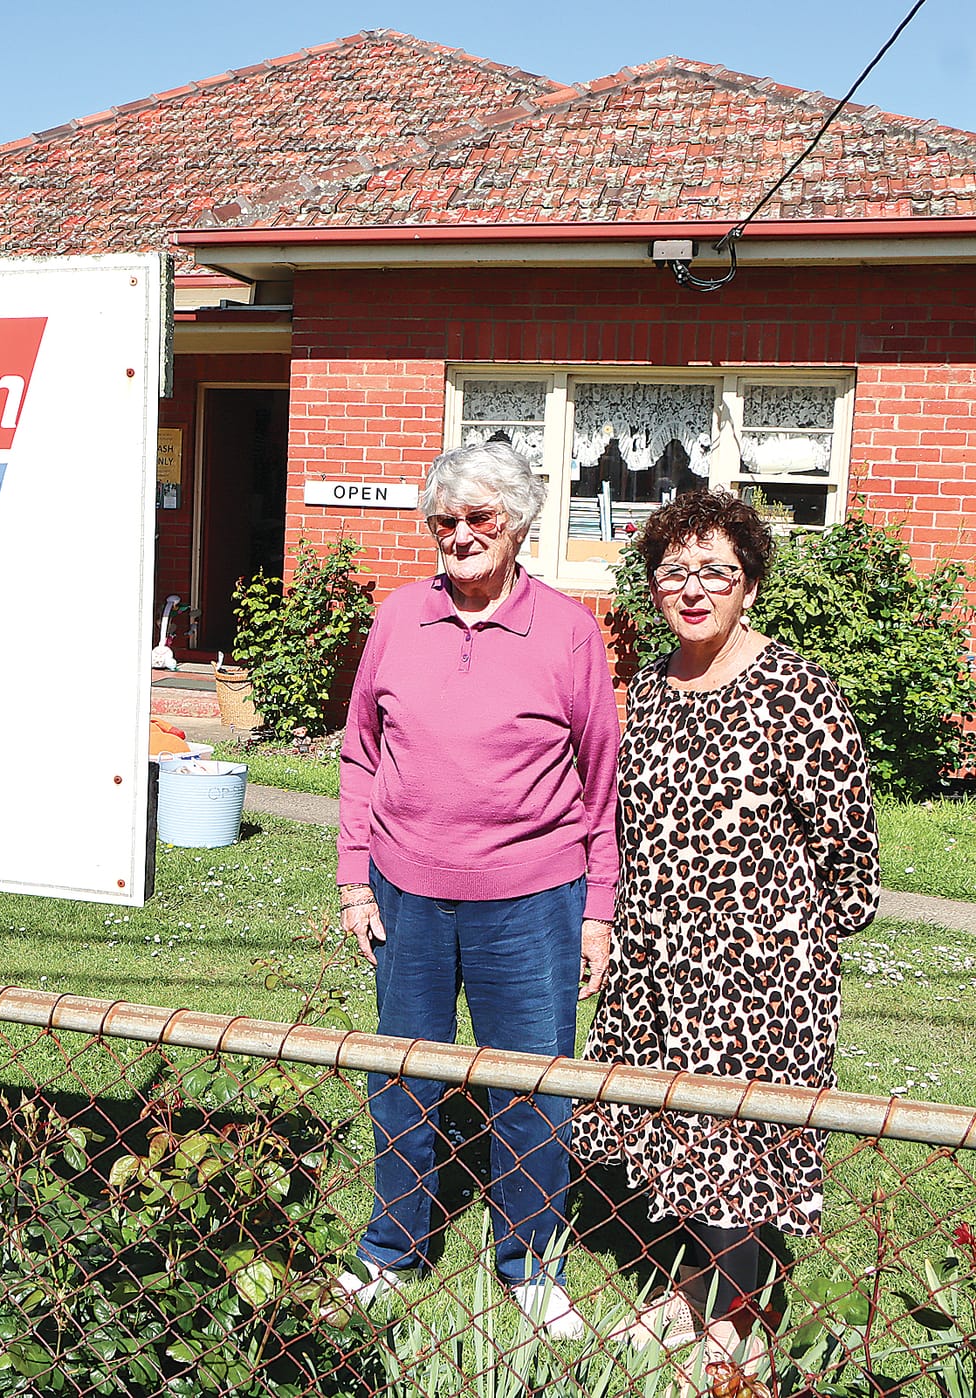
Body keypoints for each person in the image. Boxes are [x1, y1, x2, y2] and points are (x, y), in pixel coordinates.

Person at [573, 490, 879, 1368]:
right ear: (654, 584)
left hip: (761, 971)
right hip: (660, 957)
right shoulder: (654, 693)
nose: (694, 589)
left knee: (737, 1139)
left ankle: (731, 1324)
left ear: (750, 584)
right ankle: (685, 1290)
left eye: (717, 571)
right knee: (678, 1130)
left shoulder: (797, 692)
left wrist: (787, 943)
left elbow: (850, 854)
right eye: (675, 571)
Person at [336, 441, 618, 1338]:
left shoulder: (570, 632)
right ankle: (392, 1248)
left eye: (479, 519)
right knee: (404, 1080)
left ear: (519, 526)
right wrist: (354, 881)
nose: (459, 536)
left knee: (532, 1088)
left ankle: (531, 1262)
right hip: (406, 890)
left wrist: (598, 910)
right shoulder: (397, 618)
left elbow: (601, 782)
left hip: (534, 898)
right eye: (443, 522)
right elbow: (361, 754)